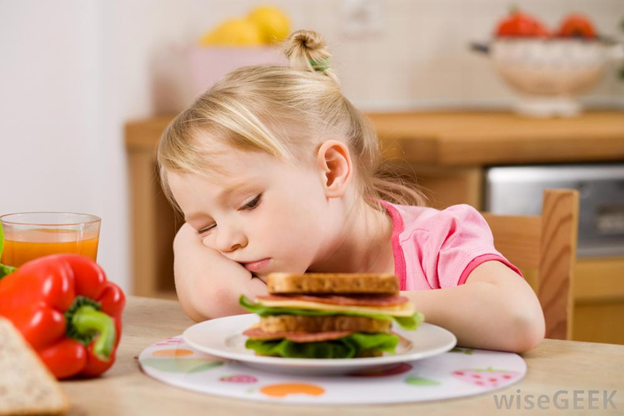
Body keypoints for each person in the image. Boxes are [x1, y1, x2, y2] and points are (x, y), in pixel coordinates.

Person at [157, 30, 544, 353]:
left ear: (331, 171)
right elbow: (219, 297)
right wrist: (197, 234)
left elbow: (519, 319)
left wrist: (340, 305)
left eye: (249, 203)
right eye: (206, 225)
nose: (225, 241)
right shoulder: (250, 256)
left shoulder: (437, 242)